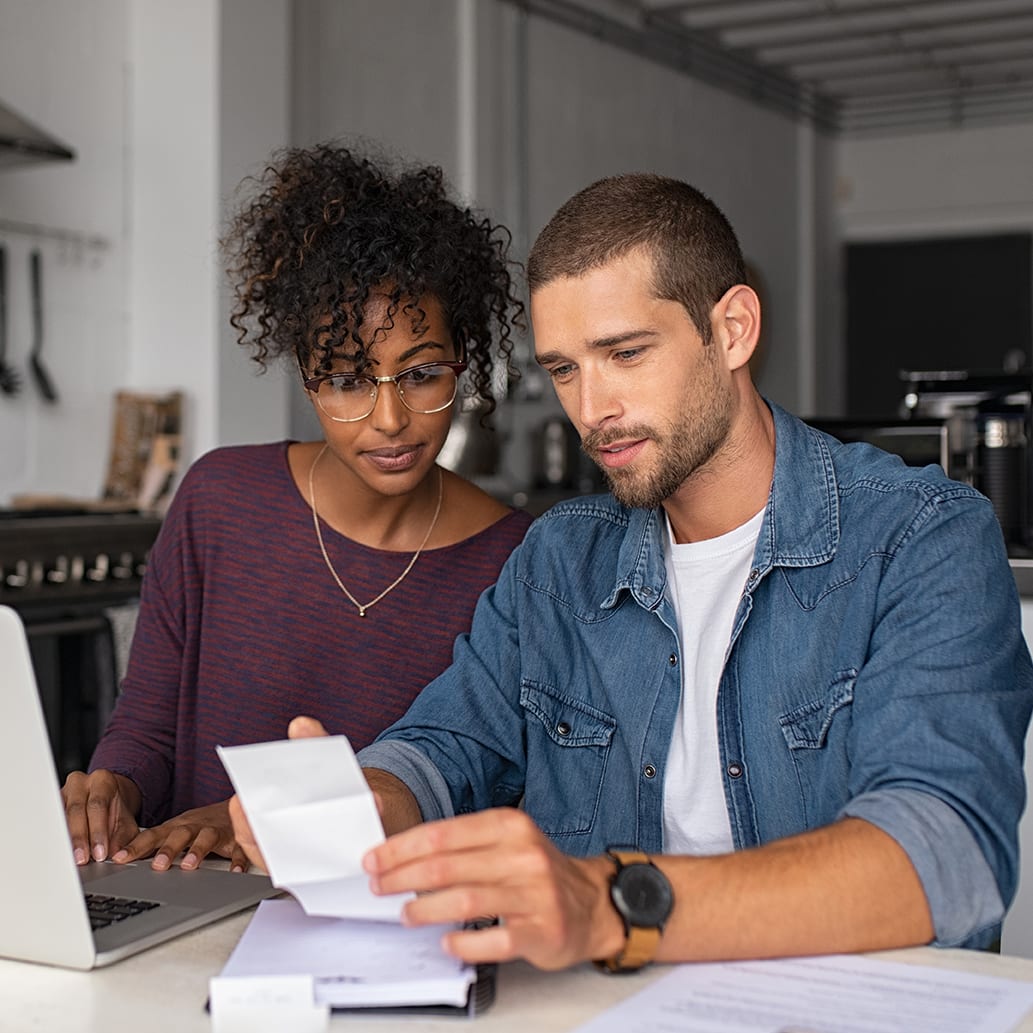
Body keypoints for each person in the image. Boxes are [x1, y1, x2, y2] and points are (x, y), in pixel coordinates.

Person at [230, 172, 1033, 971]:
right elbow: (445, 744)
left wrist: (614, 904)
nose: (590, 408)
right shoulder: (558, 561)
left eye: (624, 353)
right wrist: (366, 800)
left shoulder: (920, 536)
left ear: (733, 330)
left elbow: (946, 853)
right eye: (565, 368)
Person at [61, 142, 532, 873]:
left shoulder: (514, 561)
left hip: (381, 933)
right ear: (306, 380)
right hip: (185, 906)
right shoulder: (218, 501)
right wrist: (112, 789)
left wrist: (254, 821)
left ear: (462, 363)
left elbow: (484, 790)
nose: (388, 419)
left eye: (421, 374)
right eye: (346, 380)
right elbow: (147, 729)